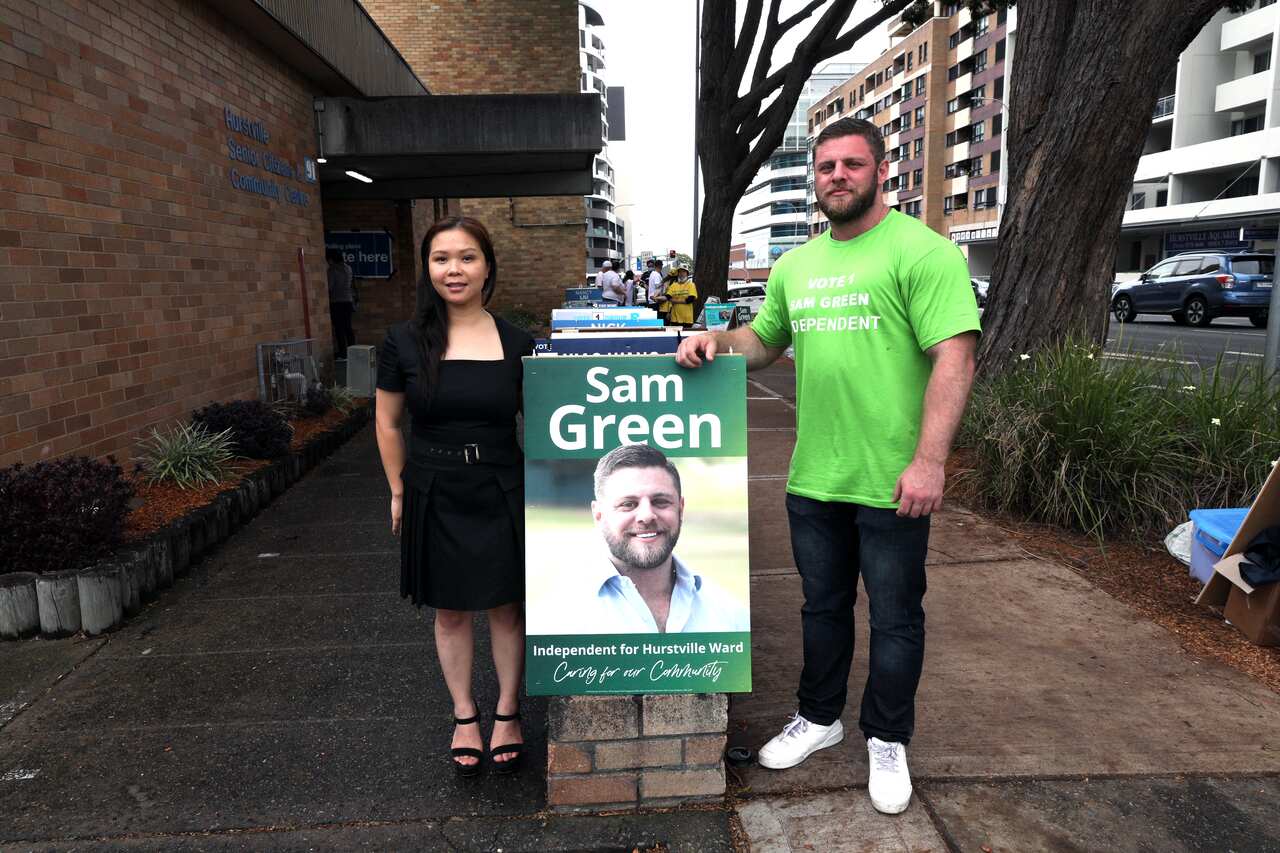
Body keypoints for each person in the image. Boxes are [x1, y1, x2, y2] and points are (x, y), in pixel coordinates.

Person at [675, 117, 980, 815]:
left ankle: (887, 737)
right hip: (814, 476)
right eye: (825, 167)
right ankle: (819, 717)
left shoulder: (923, 252)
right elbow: (764, 342)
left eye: (851, 164)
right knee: (822, 609)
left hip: (892, 480)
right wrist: (715, 342)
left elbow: (956, 357)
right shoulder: (796, 266)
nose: (836, 176)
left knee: (895, 618)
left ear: (881, 171)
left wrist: (930, 461)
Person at [374, 216, 534, 778]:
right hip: (434, 486)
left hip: (501, 485)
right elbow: (388, 423)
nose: (454, 270)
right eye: (441, 258)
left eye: (467, 257)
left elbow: (547, 423)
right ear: (428, 268)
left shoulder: (518, 343)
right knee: (450, 611)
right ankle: (465, 715)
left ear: (487, 266)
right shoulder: (402, 341)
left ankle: (508, 713)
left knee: (506, 607)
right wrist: (397, 489)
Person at [557, 444, 749, 634]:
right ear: (599, 515)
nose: (647, 516)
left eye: (660, 502)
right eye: (628, 504)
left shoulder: (732, 618)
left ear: (680, 509)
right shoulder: (559, 619)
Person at [326, 248, 356, 359]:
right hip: (348, 301)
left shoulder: (332, 270)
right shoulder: (348, 268)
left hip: (337, 302)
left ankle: (343, 352)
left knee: (339, 328)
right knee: (348, 327)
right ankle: (353, 350)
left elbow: (330, 286)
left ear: (331, 259)